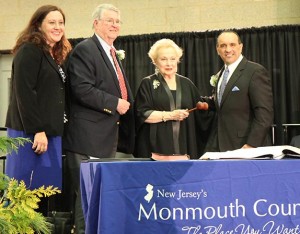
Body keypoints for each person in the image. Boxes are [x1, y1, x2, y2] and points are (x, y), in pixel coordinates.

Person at [63, 3, 135, 233]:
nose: (115, 25)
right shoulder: (86, 49)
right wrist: (115, 103)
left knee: (96, 196)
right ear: (96, 23)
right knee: (87, 197)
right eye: (109, 21)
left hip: (105, 138)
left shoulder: (113, 53)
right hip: (87, 138)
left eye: (117, 21)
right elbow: (81, 89)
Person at [5, 5, 72, 216]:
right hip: (30, 135)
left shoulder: (51, 54)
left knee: (44, 192)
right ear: (38, 25)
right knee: (24, 193)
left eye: (61, 23)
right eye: (52, 22)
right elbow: (25, 93)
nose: (57, 27)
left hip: (49, 134)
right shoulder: (29, 50)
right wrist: (37, 130)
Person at [134, 38, 212, 160]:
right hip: (156, 149)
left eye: (172, 59)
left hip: (185, 147)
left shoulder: (187, 83)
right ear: (155, 61)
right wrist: (171, 115)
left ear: (178, 60)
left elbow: (200, 108)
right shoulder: (147, 83)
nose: (169, 64)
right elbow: (142, 114)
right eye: (163, 59)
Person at [204, 30, 274, 152]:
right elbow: (225, 103)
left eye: (232, 44)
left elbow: (264, 113)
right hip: (222, 145)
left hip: (246, 147)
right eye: (223, 45)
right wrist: (206, 104)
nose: (228, 49)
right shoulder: (221, 74)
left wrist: (252, 145)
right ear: (217, 49)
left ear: (240, 47)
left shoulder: (254, 71)